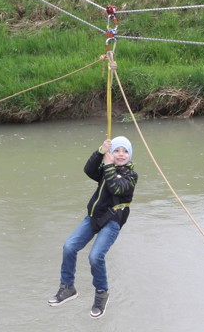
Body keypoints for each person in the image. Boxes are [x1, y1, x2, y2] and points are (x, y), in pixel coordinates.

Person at [48, 136, 137, 319]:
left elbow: (116, 189)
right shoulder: (106, 167)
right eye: (117, 150)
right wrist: (100, 152)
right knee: (69, 246)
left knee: (95, 256)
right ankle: (67, 287)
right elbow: (89, 170)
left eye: (125, 151)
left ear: (130, 155)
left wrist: (108, 165)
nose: (120, 154)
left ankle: (101, 293)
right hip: (93, 217)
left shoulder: (131, 176)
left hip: (112, 221)